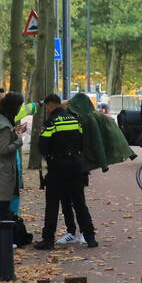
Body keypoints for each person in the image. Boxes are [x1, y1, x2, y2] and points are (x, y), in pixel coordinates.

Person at [34, 94, 97, 250]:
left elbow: (42, 146)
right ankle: (90, 238)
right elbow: (82, 141)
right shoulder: (74, 119)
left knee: (52, 204)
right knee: (79, 203)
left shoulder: (51, 122)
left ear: (49, 105)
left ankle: (48, 240)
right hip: (75, 166)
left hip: (57, 167)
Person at [0, 92, 27, 241]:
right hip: (2, 171)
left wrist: (15, 132)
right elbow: (3, 149)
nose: (19, 109)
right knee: (1, 206)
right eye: (18, 106)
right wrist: (19, 140)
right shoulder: (3, 126)